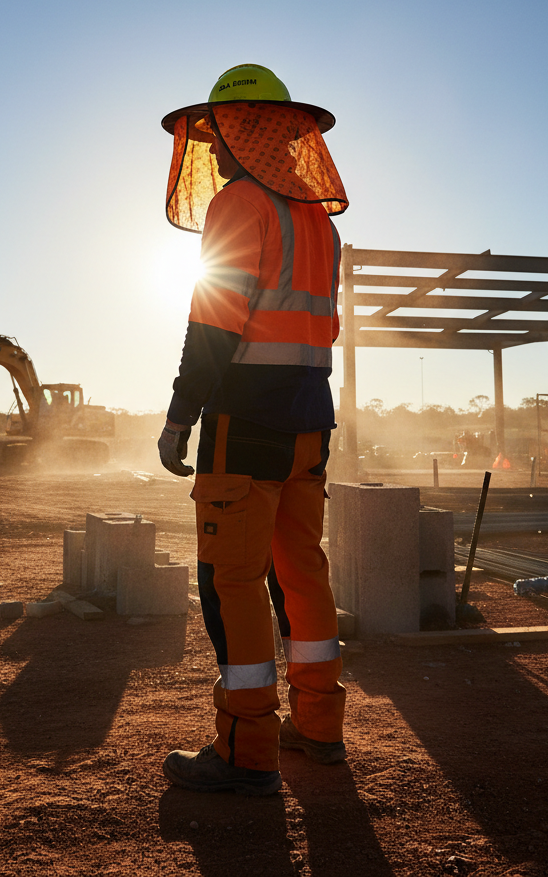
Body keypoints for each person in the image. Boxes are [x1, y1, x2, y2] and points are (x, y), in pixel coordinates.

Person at [156, 64, 350, 794]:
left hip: (247, 422)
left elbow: (213, 319)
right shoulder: (317, 220)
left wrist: (180, 416)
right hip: (311, 420)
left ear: (248, 132)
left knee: (230, 582)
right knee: (302, 575)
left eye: (219, 134)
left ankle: (245, 750)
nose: (213, 151)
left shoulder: (241, 203)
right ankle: (320, 729)